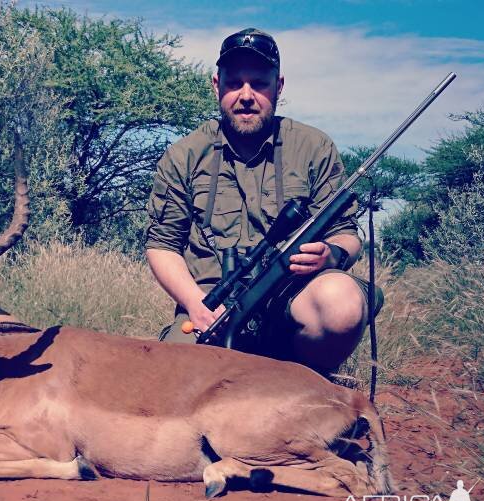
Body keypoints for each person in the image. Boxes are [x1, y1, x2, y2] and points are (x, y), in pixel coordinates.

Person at [145, 27, 382, 375]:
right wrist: (197, 305)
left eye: (259, 83)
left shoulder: (313, 147)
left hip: (290, 300)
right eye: (234, 83)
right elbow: (162, 246)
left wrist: (331, 255)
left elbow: (347, 236)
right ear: (216, 86)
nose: (246, 95)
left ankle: (306, 384)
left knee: (341, 303)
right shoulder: (184, 155)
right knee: (170, 384)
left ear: (279, 87)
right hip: (212, 309)